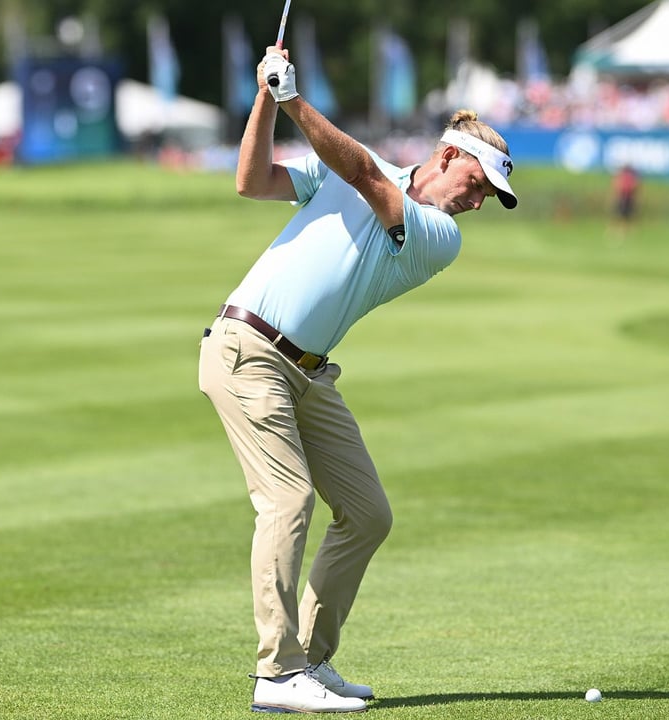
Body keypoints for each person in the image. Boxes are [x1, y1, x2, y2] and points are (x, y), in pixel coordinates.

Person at [198, 46, 517, 714]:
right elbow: (252, 180)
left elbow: (369, 176)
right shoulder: (345, 171)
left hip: (308, 374)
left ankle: (310, 659)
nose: (479, 203)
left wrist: (293, 100)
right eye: (480, 185)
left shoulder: (438, 235)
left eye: (489, 196)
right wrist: (265, 96)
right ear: (451, 156)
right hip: (248, 349)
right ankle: (277, 674)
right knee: (287, 502)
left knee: (368, 514)